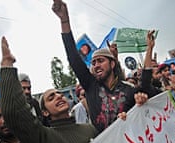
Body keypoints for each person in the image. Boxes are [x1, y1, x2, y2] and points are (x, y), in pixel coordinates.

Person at [52, 0, 151, 133]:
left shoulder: (129, 90)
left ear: (112, 63)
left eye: (100, 61)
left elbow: (146, 90)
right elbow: (73, 57)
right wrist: (64, 20)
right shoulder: (91, 85)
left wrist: (143, 102)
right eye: (93, 63)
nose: (96, 65)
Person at [0, 36, 98, 143]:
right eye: (51, 98)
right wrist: (7, 63)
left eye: (59, 94)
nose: (59, 96)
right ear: (45, 112)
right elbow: (14, 114)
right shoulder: (43, 136)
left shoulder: (90, 129)